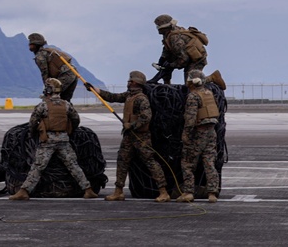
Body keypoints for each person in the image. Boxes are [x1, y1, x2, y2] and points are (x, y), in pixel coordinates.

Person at [85, 71, 170, 202]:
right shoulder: (129, 96)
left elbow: (146, 117)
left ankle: (163, 192)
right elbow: (112, 97)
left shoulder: (141, 98)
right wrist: (95, 90)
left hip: (141, 137)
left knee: (150, 162)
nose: (128, 82)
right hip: (129, 136)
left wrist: (132, 125)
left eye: (130, 81)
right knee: (122, 161)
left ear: (136, 83)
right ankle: (118, 191)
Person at [8, 78, 98, 201]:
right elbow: (76, 119)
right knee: (73, 165)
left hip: (48, 141)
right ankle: (88, 190)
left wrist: (33, 133)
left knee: (38, 166)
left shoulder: (43, 106)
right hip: (63, 140)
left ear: (48, 90)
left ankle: (24, 191)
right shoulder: (66, 105)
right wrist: (69, 131)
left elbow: (33, 122)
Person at [177, 69, 220, 203]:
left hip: (198, 133)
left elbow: (190, 119)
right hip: (211, 132)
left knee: (188, 163)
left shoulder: (193, 96)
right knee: (209, 161)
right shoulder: (209, 93)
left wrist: (186, 135)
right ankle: (212, 193)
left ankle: (189, 192)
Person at [151, 14, 211, 84]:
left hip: (196, 59)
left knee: (191, 82)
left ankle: (211, 78)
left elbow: (183, 59)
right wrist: (162, 60)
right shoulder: (168, 34)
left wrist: (171, 65)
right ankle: (167, 84)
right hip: (185, 55)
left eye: (158, 27)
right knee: (166, 66)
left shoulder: (175, 38)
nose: (158, 29)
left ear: (164, 27)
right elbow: (167, 48)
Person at [28, 33, 78, 101]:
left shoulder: (40, 56)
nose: (29, 45)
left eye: (31, 43)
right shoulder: (48, 51)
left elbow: (44, 72)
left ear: (36, 44)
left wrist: (47, 88)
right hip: (73, 72)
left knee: (50, 97)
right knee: (65, 100)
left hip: (66, 74)